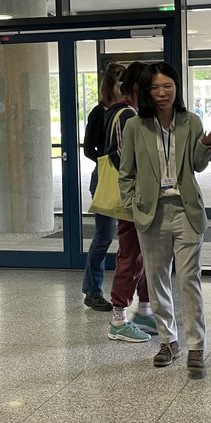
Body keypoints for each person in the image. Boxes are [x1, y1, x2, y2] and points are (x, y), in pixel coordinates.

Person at [118, 62, 211, 372]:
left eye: (168, 86)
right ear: (146, 92)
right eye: (155, 88)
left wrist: (205, 145)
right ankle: (168, 341)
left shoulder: (191, 122)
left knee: (190, 280)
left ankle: (196, 345)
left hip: (186, 210)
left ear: (177, 86)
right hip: (152, 212)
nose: (162, 93)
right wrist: (133, 206)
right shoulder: (136, 126)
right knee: (157, 279)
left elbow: (198, 166)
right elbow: (126, 173)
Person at [105, 61, 156, 344]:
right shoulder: (127, 116)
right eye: (152, 86)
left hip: (134, 199)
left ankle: (144, 311)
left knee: (139, 256)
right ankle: (119, 319)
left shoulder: (119, 112)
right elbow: (128, 161)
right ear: (138, 88)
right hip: (133, 201)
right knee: (131, 256)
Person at [82, 63, 125, 312]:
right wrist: (108, 159)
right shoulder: (100, 112)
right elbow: (89, 148)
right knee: (104, 237)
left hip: (126, 181)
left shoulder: (130, 111)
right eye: (121, 83)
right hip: (105, 179)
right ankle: (93, 290)